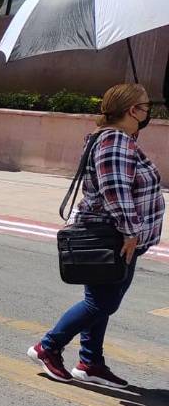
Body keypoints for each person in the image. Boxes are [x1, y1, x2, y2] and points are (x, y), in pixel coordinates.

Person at [28, 83, 163, 388]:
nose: (148, 110)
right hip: (114, 237)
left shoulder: (119, 139)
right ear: (132, 111)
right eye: (145, 105)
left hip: (119, 236)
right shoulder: (115, 141)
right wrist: (131, 232)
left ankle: (90, 362)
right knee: (102, 303)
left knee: (100, 300)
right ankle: (47, 347)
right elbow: (115, 190)